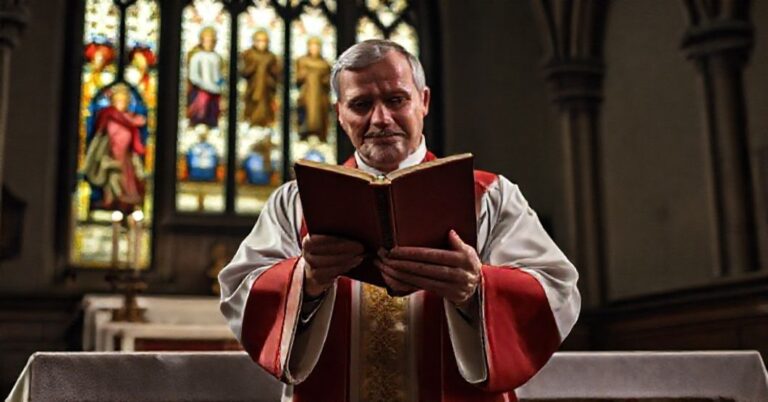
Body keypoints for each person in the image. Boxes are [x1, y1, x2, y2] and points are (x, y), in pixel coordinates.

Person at [219, 40, 580, 402]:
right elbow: (242, 293)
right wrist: (305, 281)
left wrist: (477, 289)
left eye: (396, 100)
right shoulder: (295, 202)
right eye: (361, 105)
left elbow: (556, 292)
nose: (380, 119)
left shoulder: (490, 196)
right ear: (339, 114)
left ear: (423, 101)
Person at [82, 84, 147, 212]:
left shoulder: (132, 120)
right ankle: (109, 201)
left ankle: (125, 206)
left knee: (127, 186)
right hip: (110, 158)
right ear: (112, 101)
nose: (121, 103)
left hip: (126, 161)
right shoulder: (108, 118)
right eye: (118, 100)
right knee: (112, 181)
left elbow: (135, 144)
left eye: (123, 101)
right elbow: (99, 141)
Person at [240, 30, 281, 128]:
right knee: (252, 105)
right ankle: (251, 122)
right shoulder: (248, 54)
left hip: (267, 89)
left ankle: (265, 123)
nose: (261, 44)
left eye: (264, 41)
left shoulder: (271, 56)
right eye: (259, 41)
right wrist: (253, 67)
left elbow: (276, 73)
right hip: (252, 87)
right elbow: (243, 72)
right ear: (254, 42)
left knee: (265, 107)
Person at [187, 26, 224, 130]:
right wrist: (208, 87)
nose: (209, 44)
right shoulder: (197, 57)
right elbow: (193, 76)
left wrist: (220, 84)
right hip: (200, 93)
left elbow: (218, 76)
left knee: (213, 116)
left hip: (215, 94)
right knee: (199, 116)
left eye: (212, 41)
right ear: (201, 41)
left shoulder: (216, 57)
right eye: (207, 41)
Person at [295, 37, 332, 141]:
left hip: (320, 97)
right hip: (306, 95)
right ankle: (304, 133)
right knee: (305, 114)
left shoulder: (325, 64)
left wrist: (321, 78)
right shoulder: (302, 61)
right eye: (312, 47)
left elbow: (329, 82)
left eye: (316, 47)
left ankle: (320, 134)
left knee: (320, 115)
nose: (314, 49)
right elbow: (298, 79)